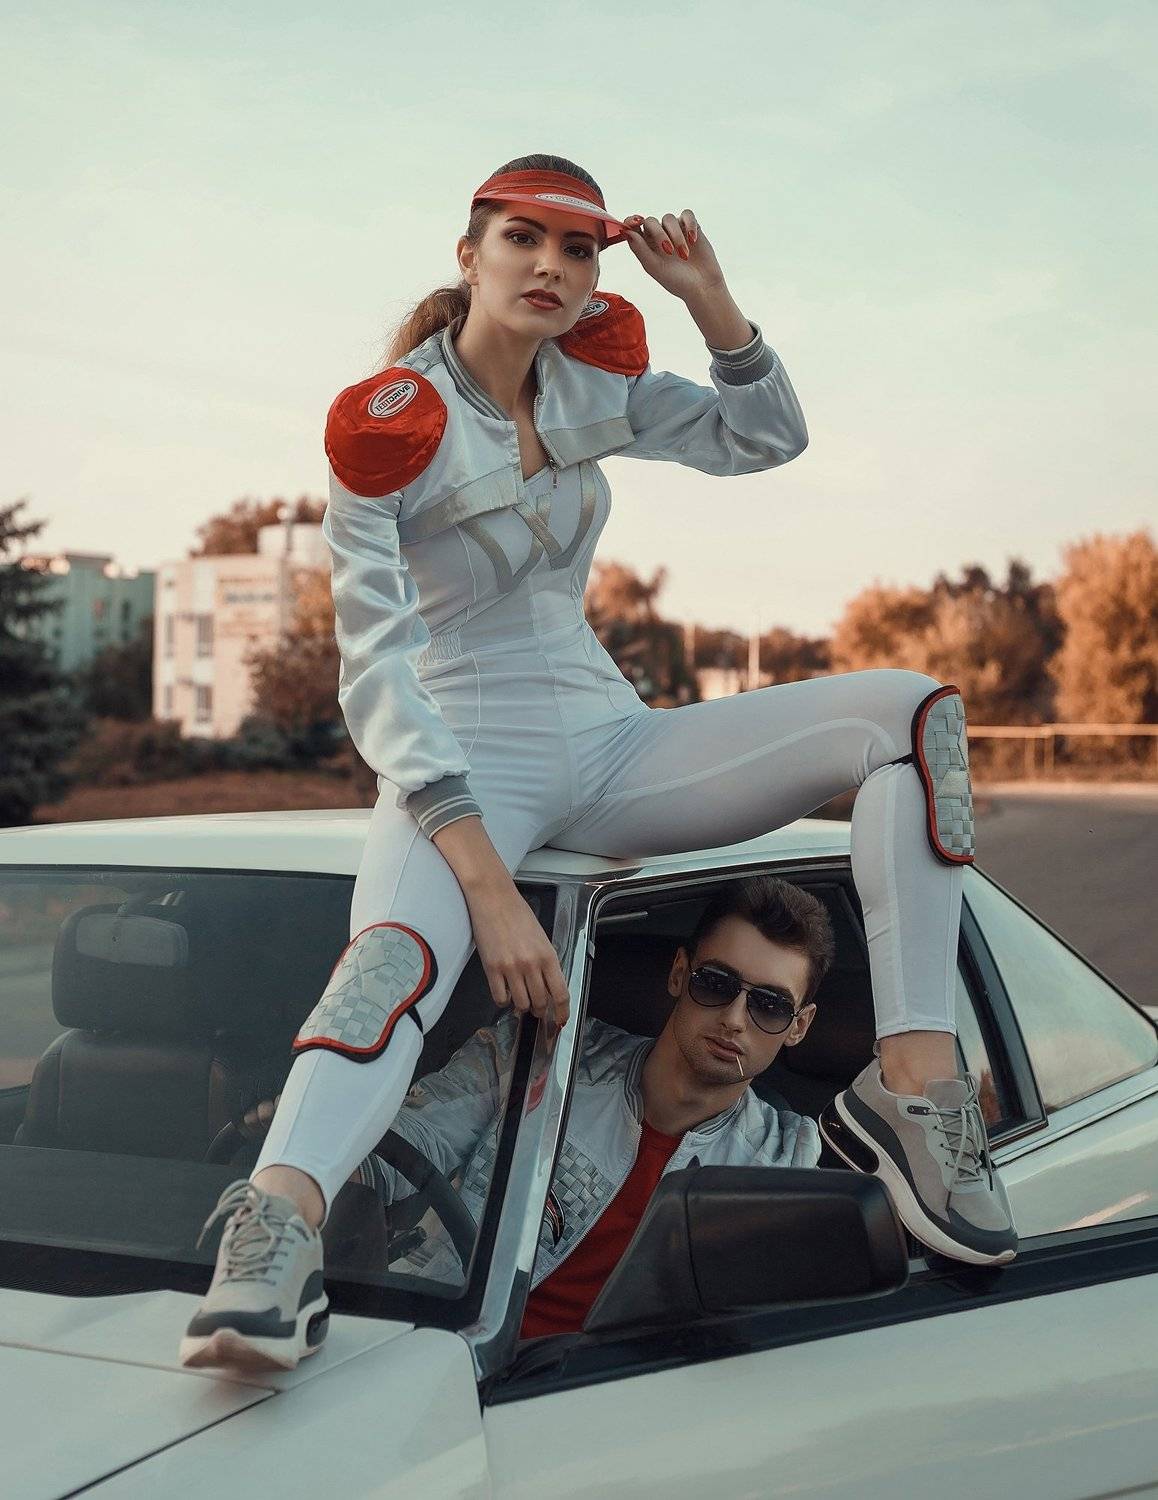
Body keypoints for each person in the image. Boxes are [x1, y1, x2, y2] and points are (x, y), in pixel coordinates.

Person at [179, 152, 1017, 1374]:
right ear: (469, 255)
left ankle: (915, 1082)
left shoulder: (591, 380)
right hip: (468, 758)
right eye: (523, 239)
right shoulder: (388, 424)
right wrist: (489, 891)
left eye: (578, 249)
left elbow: (765, 436)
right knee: (388, 968)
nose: (552, 267)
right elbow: (377, 676)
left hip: (611, 735)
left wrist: (705, 293)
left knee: (915, 713)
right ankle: (273, 1236)